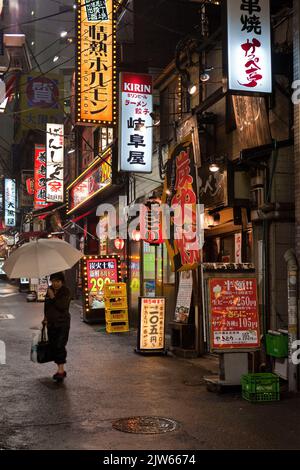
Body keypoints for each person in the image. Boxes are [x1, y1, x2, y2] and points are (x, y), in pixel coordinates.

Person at [43, 272, 71, 382]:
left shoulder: (66, 291)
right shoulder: (49, 290)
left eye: (57, 281)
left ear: (62, 282)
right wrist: (45, 317)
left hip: (62, 323)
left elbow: (62, 306)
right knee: (54, 345)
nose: (55, 284)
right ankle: (59, 369)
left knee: (60, 345)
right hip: (51, 323)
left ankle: (61, 371)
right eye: (53, 281)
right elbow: (47, 305)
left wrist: (53, 297)